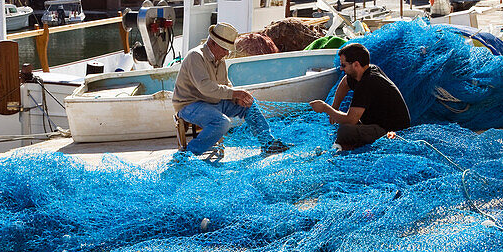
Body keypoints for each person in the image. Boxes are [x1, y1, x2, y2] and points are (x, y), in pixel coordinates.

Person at [173, 22, 289, 158]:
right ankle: (188, 155)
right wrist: (233, 93)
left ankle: (268, 143)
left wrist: (236, 98)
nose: (227, 53)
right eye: (224, 49)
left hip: (212, 102)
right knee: (222, 122)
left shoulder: (219, 59)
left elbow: (225, 84)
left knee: (249, 105)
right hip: (190, 104)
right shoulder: (195, 56)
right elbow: (205, 87)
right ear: (213, 43)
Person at [309, 42, 410, 150]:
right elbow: (345, 83)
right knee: (345, 125)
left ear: (356, 64)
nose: (341, 69)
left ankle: (341, 148)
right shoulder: (366, 70)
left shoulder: (367, 83)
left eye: (344, 65)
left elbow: (350, 120)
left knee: (345, 130)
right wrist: (335, 106)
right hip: (375, 122)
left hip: (391, 131)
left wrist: (325, 108)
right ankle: (346, 145)